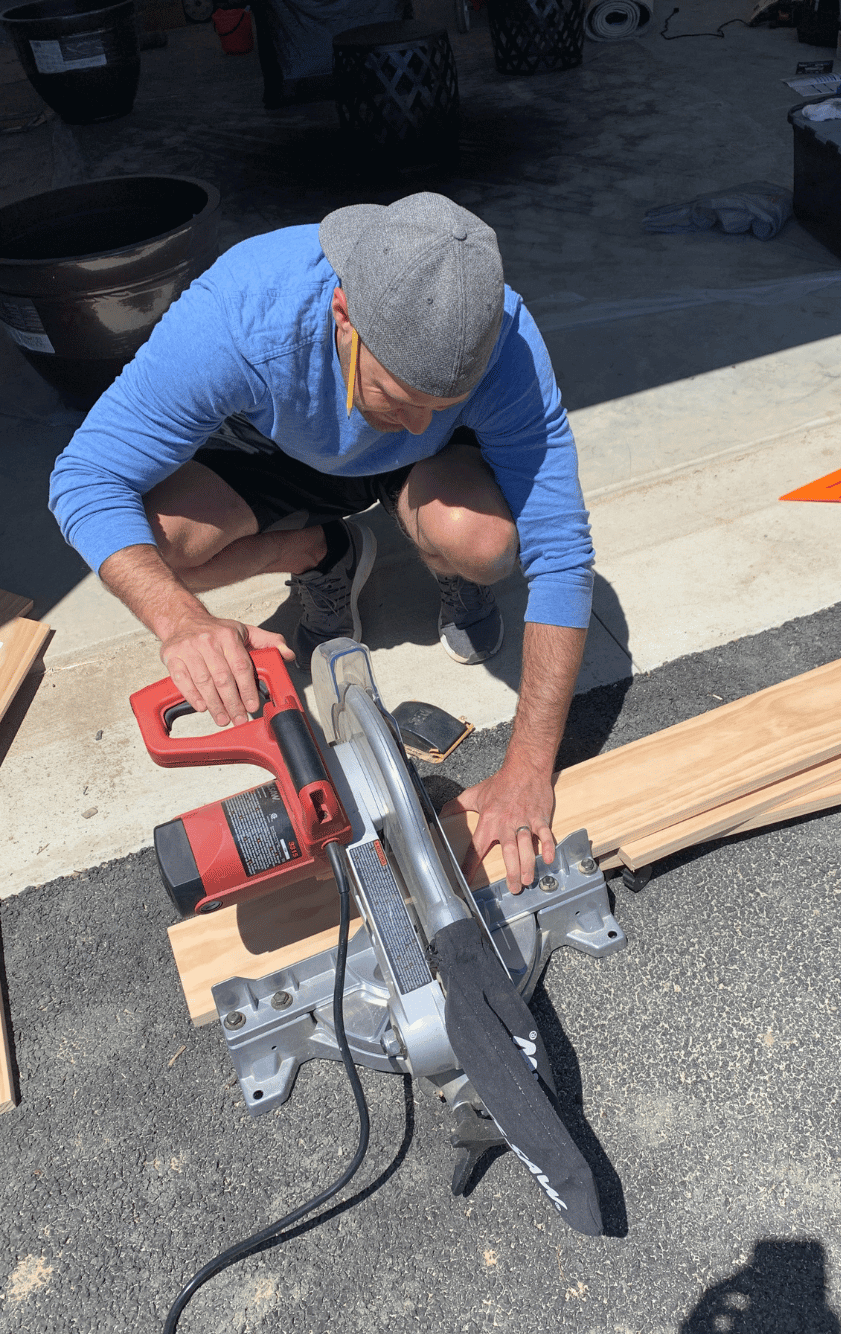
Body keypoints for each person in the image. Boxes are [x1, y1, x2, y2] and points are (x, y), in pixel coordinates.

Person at [49, 192, 594, 894]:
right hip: (288, 449)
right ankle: (320, 552)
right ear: (344, 317)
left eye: (443, 404)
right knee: (161, 546)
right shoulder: (243, 312)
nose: (415, 419)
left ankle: (445, 559)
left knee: (482, 541)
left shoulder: (504, 341)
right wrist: (180, 622)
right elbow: (86, 477)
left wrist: (527, 771)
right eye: (399, 396)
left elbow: (563, 556)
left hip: (427, 470)